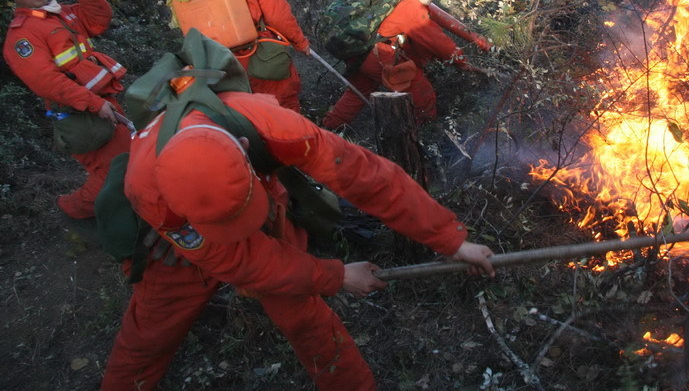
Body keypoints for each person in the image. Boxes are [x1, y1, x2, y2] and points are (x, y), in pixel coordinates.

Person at [99, 89, 495, 391]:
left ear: (244, 149)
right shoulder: (148, 189)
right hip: (181, 249)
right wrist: (335, 276)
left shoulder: (275, 128)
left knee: (304, 316)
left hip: (264, 203)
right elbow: (241, 261)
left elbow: (369, 178)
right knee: (150, 333)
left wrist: (450, 240)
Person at [1, 0, 131, 219]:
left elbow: (99, 20)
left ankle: (131, 214)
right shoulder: (22, 36)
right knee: (114, 170)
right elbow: (47, 83)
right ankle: (71, 211)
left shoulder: (62, 13)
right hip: (80, 114)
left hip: (103, 102)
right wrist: (94, 104)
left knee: (128, 161)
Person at [322, 0, 481, 131]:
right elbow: (437, 41)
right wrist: (463, 62)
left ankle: (327, 129)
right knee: (421, 95)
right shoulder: (411, 7)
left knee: (357, 92)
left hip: (361, 54)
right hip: (381, 56)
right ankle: (424, 135)